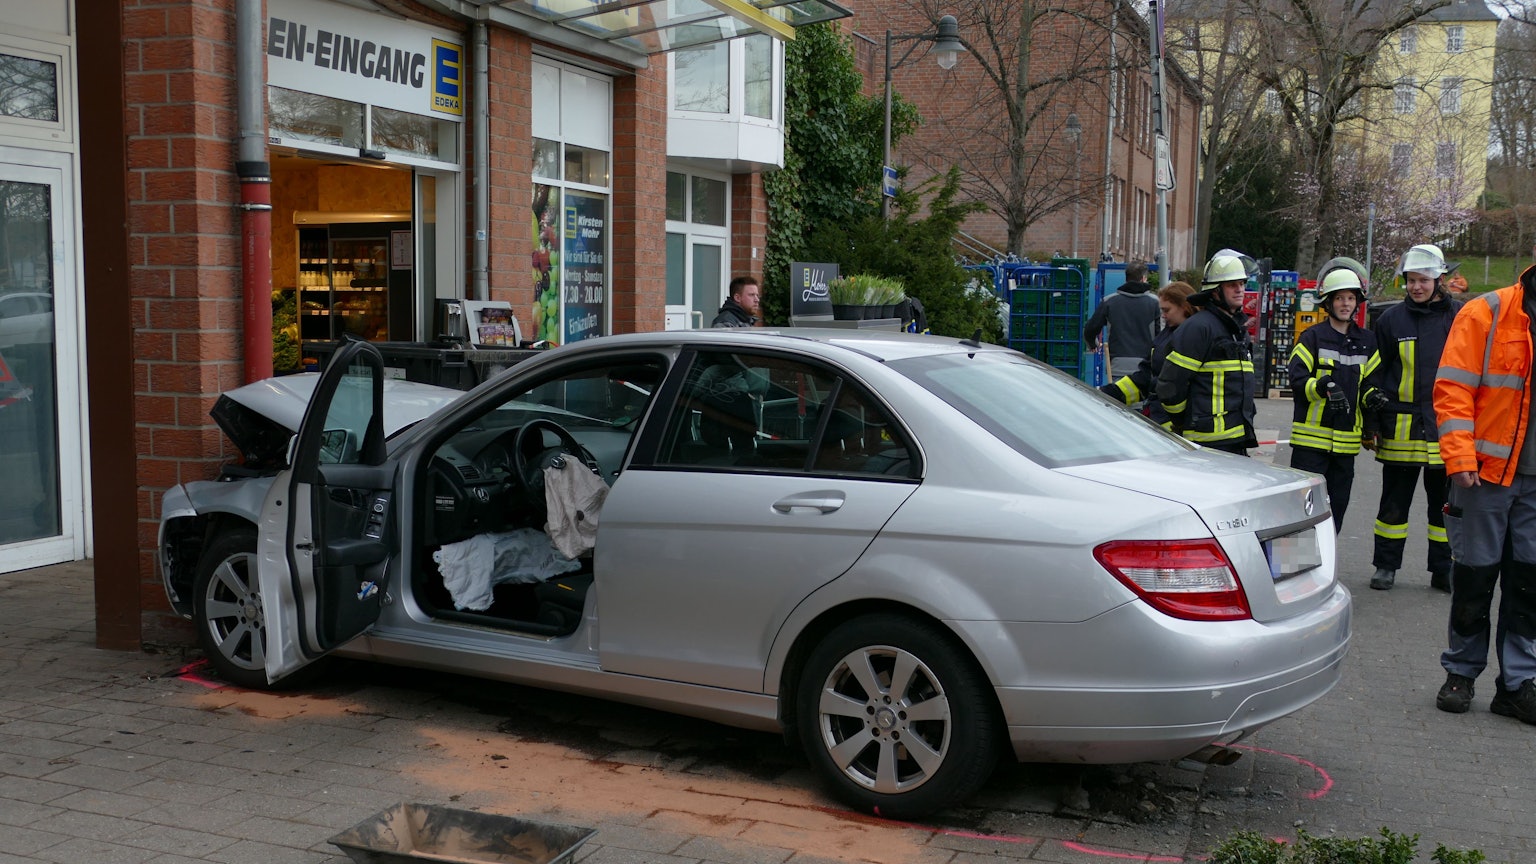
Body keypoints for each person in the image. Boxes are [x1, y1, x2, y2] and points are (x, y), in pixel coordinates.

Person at [1431, 263, 1536, 723]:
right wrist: (1459, 455)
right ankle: (1461, 674)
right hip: (1485, 475)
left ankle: (1517, 684)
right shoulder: (1486, 312)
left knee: (1528, 586)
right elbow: (1453, 388)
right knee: (1475, 578)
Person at [1362, 243, 1462, 591]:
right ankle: (1385, 567)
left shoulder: (1459, 318)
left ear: (1439, 280)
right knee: (1393, 505)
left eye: (1423, 280)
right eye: (1410, 280)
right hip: (1400, 429)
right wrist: (1371, 421)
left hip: (1444, 428)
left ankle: (1442, 570)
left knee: (1444, 508)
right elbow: (1374, 374)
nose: (1416, 287)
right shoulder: (1390, 320)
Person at [1287, 268, 1380, 533]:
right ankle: (1292, 569)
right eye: (1339, 298)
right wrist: (1322, 386)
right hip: (1310, 446)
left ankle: (1325, 571)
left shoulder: (1368, 342)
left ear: (1357, 303)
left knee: (1334, 513)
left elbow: (1371, 383)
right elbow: (1296, 379)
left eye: (1350, 298)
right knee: (1300, 513)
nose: (1345, 304)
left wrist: (1374, 398)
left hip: (1345, 448)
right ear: (1328, 302)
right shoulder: (1312, 337)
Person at [1156, 251, 1259, 455]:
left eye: (1242, 283)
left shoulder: (1236, 330)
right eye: (1232, 285)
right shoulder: (1199, 328)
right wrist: (1181, 422)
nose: (1240, 289)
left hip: (1236, 439)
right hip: (1208, 443)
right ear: (1215, 291)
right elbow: (1170, 386)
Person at [1100, 281, 1195, 430]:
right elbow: (1146, 377)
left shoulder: (1193, 337)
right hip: (1161, 421)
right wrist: (1109, 393)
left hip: (1175, 425)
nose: (1163, 316)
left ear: (1184, 306)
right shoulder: (1168, 334)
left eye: (1167, 310)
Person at [1084, 261, 1161, 379]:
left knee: (1116, 397)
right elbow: (1161, 335)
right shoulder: (1156, 303)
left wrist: (1093, 345)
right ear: (1144, 279)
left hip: (1117, 366)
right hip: (1145, 367)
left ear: (1126, 279)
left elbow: (1090, 329)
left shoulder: (1109, 301)